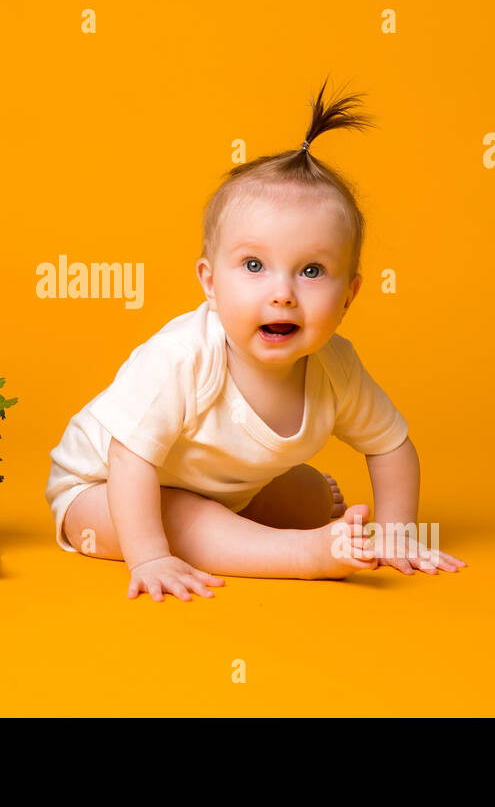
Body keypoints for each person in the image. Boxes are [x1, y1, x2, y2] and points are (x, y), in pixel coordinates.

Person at [45, 78, 467, 601]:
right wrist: (151, 556)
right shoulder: (184, 358)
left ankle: (252, 518)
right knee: (184, 519)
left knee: (310, 500)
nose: (283, 294)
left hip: (221, 486)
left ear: (349, 295)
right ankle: (305, 557)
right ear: (210, 282)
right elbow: (131, 458)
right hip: (105, 492)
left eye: (312, 271)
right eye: (253, 266)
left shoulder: (336, 367)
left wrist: (399, 533)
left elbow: (392, 447)